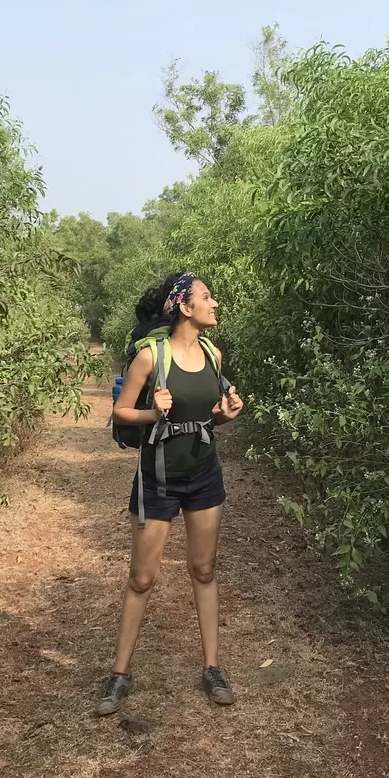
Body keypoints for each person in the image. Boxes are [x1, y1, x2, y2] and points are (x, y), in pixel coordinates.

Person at [96, 272, 244, 715]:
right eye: (206, 297)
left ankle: (212, 668)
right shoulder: (150, 356)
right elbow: (120, 412)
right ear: (184, 307)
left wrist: (226, 415)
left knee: (204, 569)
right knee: (142, 578)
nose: (214, 303)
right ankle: (120, 674)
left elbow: (208, 419)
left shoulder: (213, 354)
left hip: (204, 476)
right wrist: (149, 412)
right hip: (157, 478)